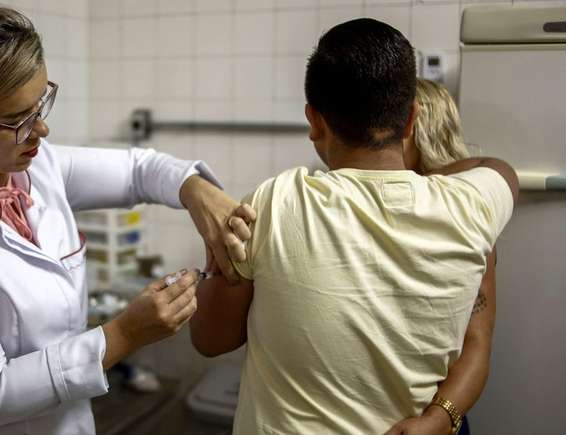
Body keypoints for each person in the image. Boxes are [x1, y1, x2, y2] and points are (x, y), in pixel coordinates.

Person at [0, 5, 252, 435]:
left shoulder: (37, 168)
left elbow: (140, 170)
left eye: (40, 105)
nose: (41, 131)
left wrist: (198, 192)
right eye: (16, 120)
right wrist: (126, 334)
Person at [190, 19, 518, 435]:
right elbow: (501, 170)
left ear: (314, 120)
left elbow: (209, 340)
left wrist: (220, 264)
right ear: (412, 118)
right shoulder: (473, 208)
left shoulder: (274, 201)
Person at [385, 79, 496, 435]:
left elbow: (477, 341)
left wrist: (437, 418)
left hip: (433, 420)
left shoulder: (463, 218)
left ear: (416, 128)